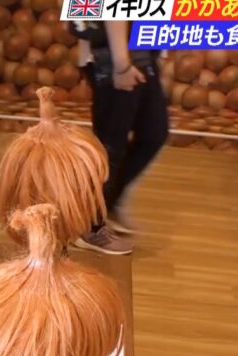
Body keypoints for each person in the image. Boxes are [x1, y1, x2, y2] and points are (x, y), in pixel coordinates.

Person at [70, 20, 168, 256]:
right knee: (110, 147)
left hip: (138, 52)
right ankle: (90, 226)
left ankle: (108, 203)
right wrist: (121, 65)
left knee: (153, 133)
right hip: (113, 55)